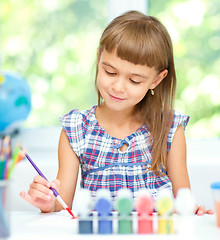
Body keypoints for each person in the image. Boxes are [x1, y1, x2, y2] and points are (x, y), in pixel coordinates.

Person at [20, 11, 213, 215]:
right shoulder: (76, 128)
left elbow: (184, 203)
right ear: (98, 57)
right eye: (110, 72)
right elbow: (63, 204)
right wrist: (49, 203)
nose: (118, 86)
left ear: (156, 80)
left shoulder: (170, 128)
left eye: (134, 80)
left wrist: (196, 213)